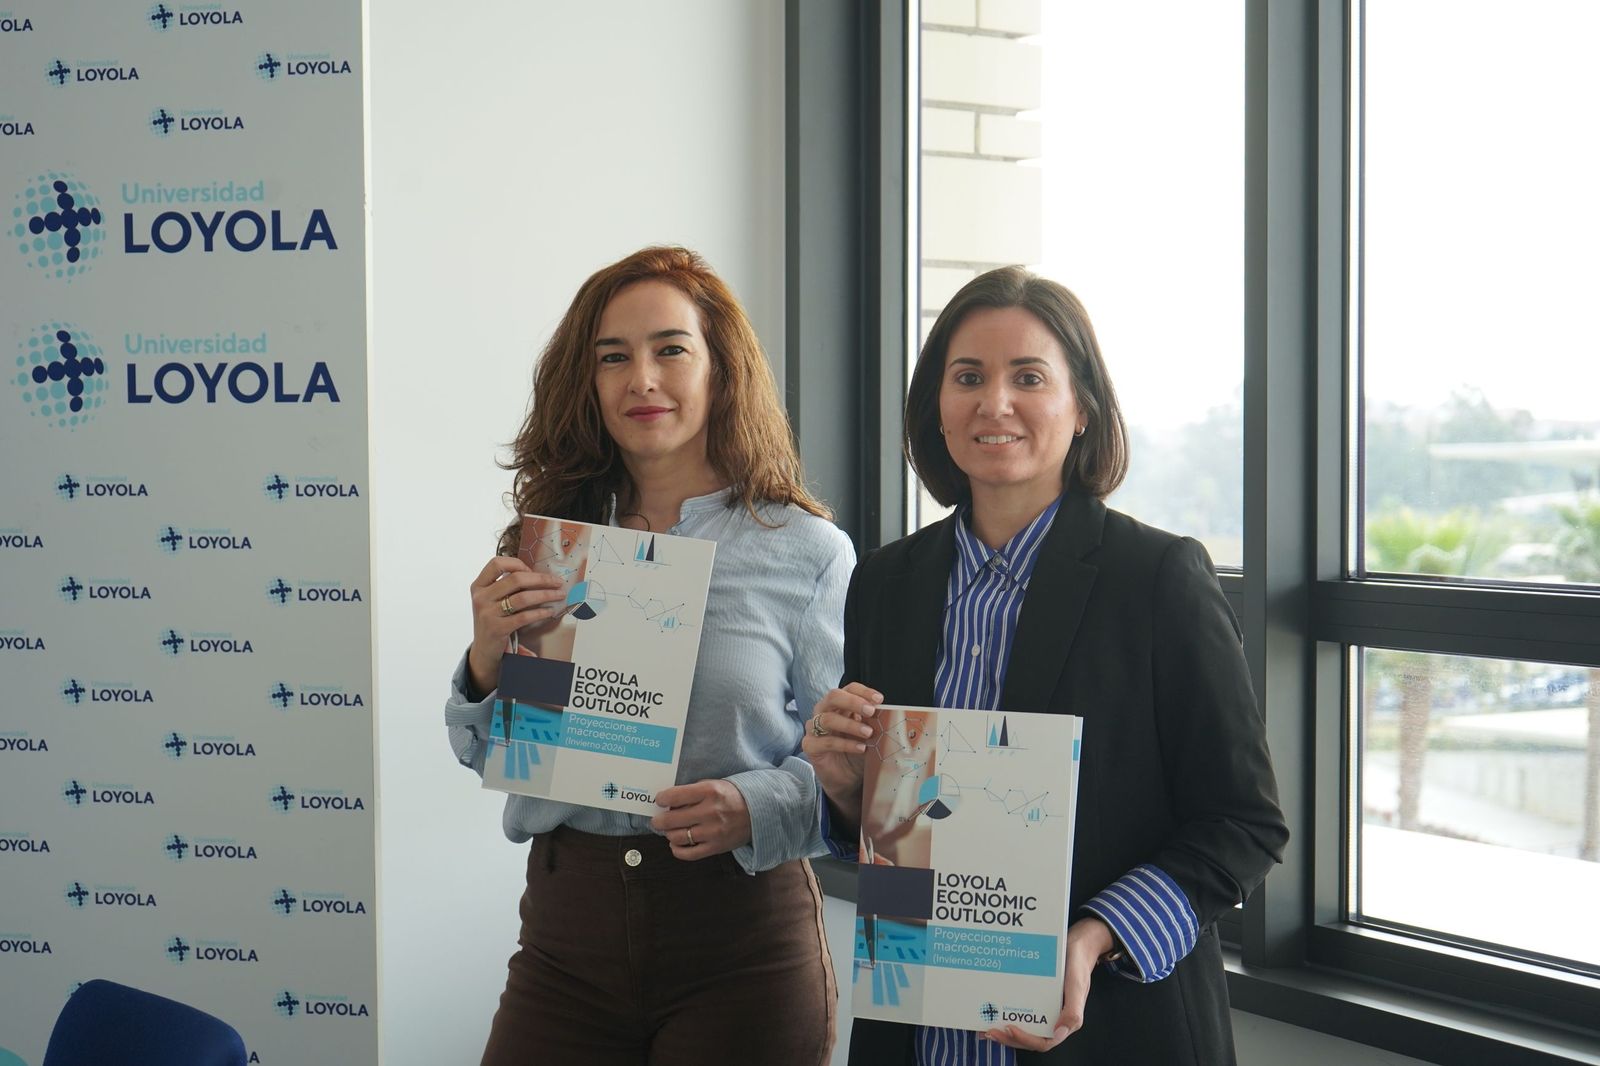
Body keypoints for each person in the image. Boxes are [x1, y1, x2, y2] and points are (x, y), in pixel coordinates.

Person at [804, 266, 1288, 1065]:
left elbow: (1244, 823)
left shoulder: (1158, 579)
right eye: (968, 378)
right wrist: (846, 787)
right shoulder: (886, 582)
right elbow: (894, 828)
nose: (995, 403)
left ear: (1083, 407)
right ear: (937, 407)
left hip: (1110, 1029)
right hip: (919, 1032)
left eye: (1028, 377)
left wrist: (1095, 937)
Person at [445, 246, 852, 1066]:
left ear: (721, 368)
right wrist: (486, 660)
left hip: (740, 940)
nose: (642, 379)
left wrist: (758, 805)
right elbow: (485, 752)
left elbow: (860, 775)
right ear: (586, 382)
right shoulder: (552, 545)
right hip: (568, 934)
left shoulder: (808, 553)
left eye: (671, 348)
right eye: (613, 357)